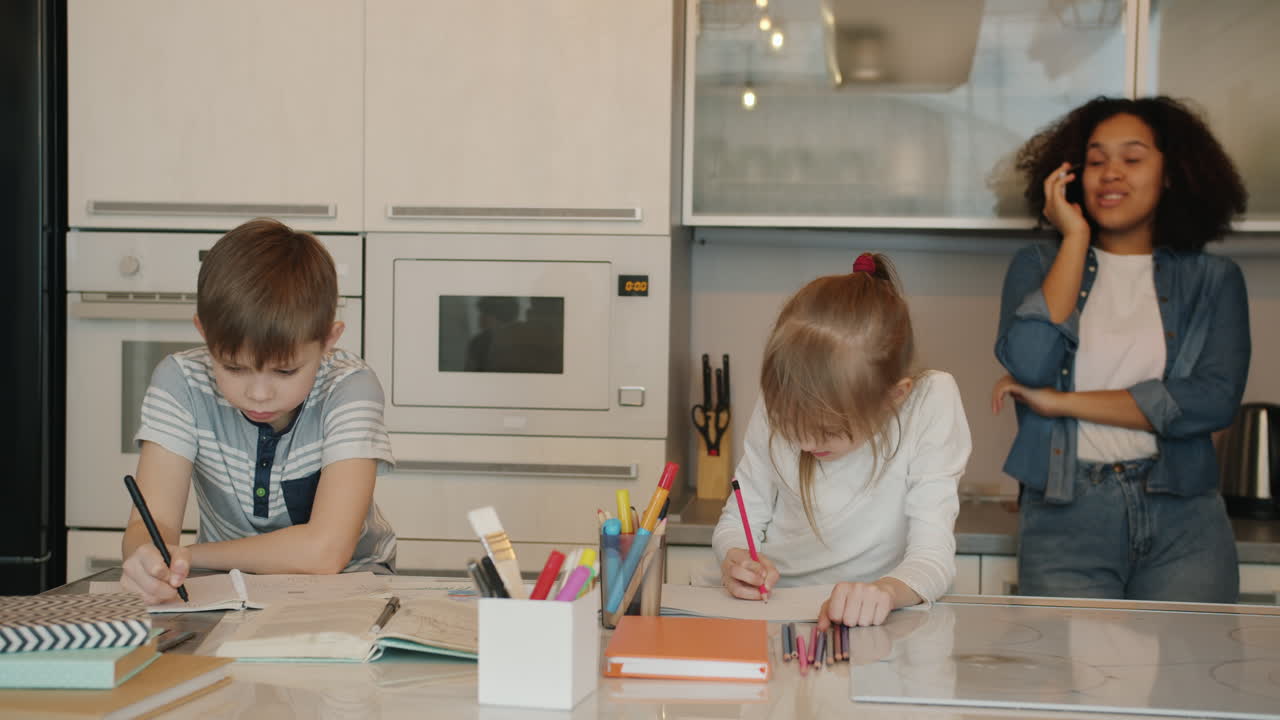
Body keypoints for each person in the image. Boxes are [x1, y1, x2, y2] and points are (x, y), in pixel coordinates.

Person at [992, 96, 1249, 602]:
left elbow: (1211, 401)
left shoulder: (1214, 281)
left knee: (1188, 678)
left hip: (1184, 520)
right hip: (1066, 514)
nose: (1111, 173)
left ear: (1170, 174)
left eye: (1132, 159)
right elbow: (1030, 364)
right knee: (1066, 681)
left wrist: (1062, 403)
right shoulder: (1037, 265)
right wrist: (1074, 238)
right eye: (1095, 160)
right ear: (1069, 176)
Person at [121, 219, 398, 604]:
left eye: (285, 371)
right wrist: (147, 558)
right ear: (204, 332)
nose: (258, 394)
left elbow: (326, 552)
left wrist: (187, 555)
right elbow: (153, 524)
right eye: (233, 367)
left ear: (328, 341)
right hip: (219, 586)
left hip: (348, 584)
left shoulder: (349, 387)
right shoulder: (181, 381)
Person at [713, 253, 972, 627]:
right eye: (788, 422)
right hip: (766, 612)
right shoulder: (782, 392)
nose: (803, 442)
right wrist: (735, 556)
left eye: (829, 428)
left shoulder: (931, 400)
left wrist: (884, 591)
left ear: (895, 396)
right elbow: (740, 517)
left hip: (870, 620)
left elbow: (932, 556)